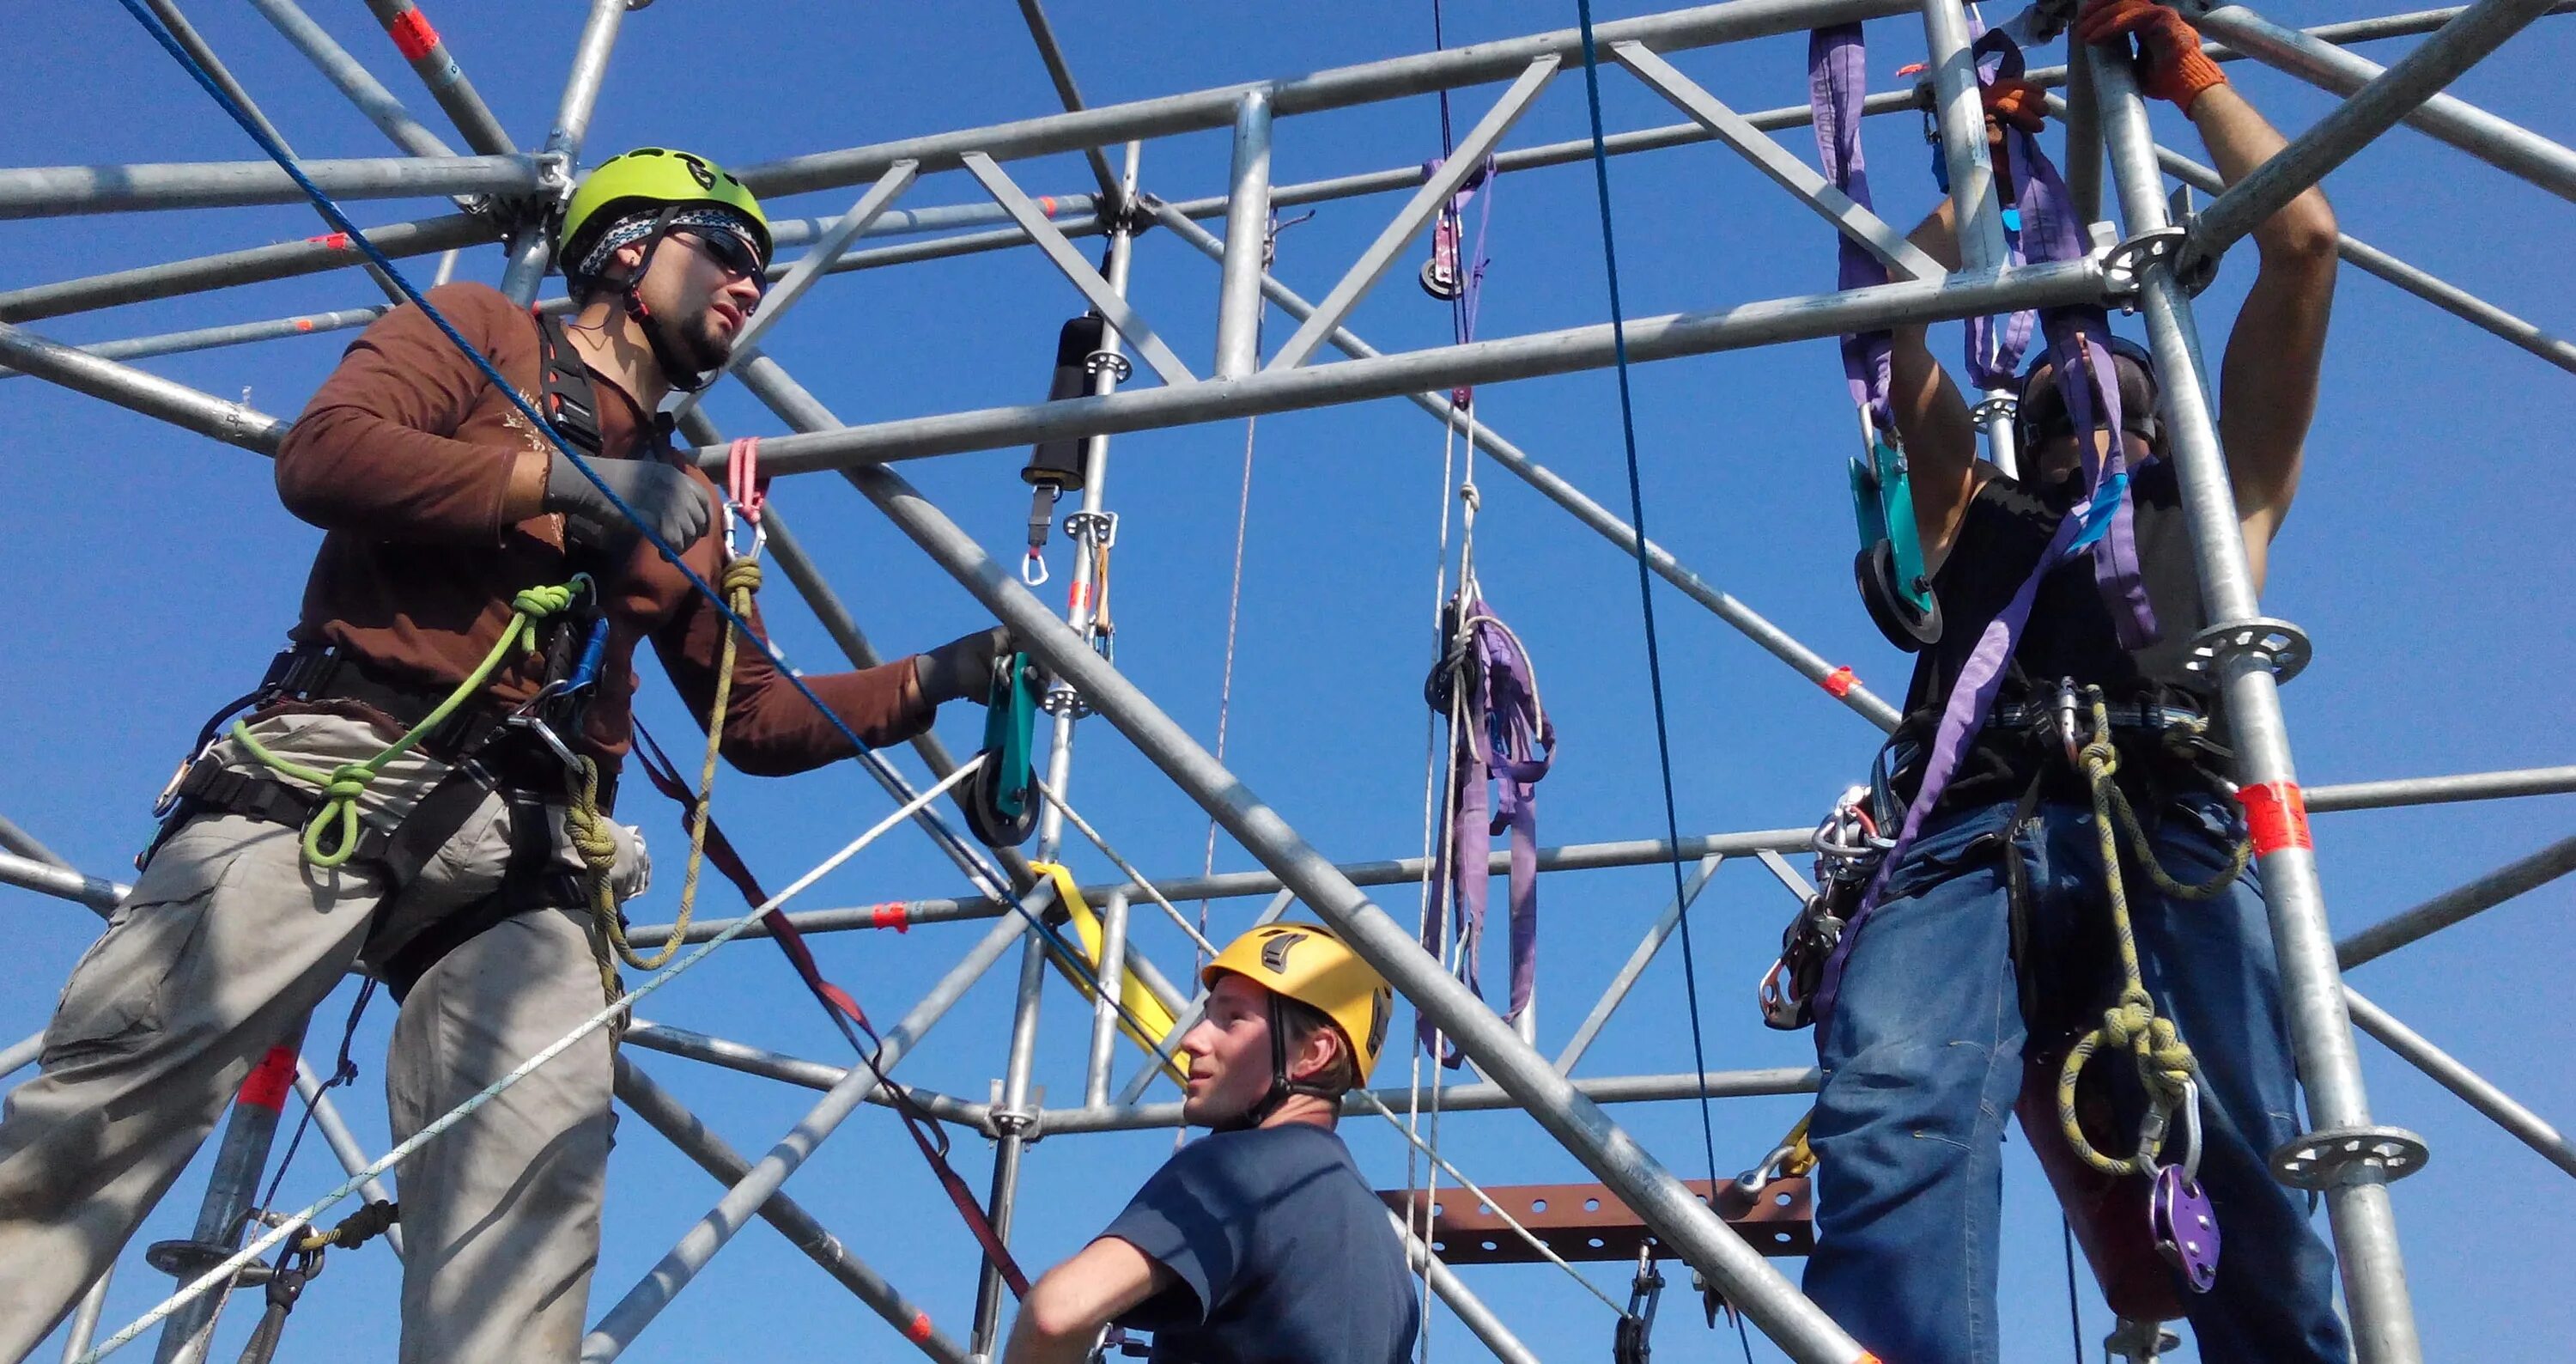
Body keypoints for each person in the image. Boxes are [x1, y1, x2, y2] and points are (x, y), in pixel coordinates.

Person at [0, 147, 1012, 1363]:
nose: (753, 284)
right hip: (343, 764)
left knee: (534, 1181)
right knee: (101, 1119)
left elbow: (752, 720)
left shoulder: (680, 493)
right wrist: (558, 481)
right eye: (730, 253)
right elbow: (327, 454)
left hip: (523, 851)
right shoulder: (483, 333)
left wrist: (937, 678)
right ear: (628, 252)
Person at [1803, 4, 2346, 1363]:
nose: (2092, 394)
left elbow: (2303, 244)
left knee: (2250, 1140)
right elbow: (1891, 328)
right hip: (1968, 839)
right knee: (1893, 1118)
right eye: (2064, 376)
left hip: (2165, 828)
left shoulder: (2214, 512)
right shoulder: (1975, 508)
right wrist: (1970, 186)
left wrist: (2195, 84)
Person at [1004, 923, 1417, 1364]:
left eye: (1231, 1019)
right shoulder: (1385, 1251)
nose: (1192, 1040)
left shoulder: (1240, 1169)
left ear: (1314, 1054)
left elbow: (1057, 1312)